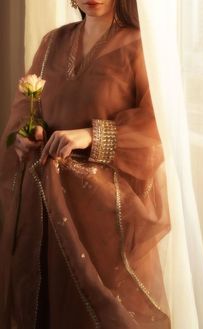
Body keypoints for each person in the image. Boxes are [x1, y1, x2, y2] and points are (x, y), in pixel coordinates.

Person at [0, 0, 171, 328]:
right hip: (46, 208)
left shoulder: (139, 45)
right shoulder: (52, 43)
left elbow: (157, 127)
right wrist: (27, 135)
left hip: (104, 213)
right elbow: (26, 109)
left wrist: (92, 135)